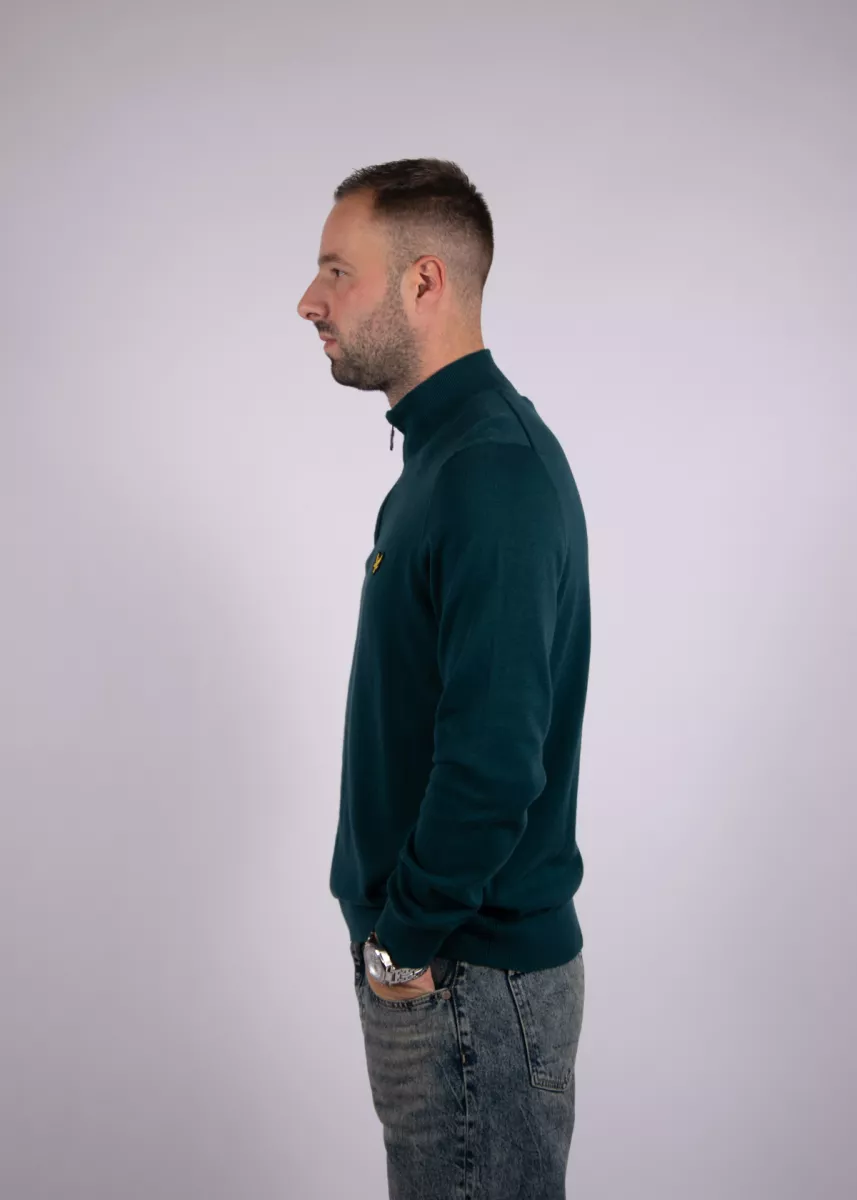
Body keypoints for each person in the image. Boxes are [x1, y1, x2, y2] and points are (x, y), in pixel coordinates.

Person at [297, 157, 590, 1199]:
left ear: (425, 281)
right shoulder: (440, 459)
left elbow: (493, 765)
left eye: (337, 271)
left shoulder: (486, 472)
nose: (309, 301)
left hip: (463, 978)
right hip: (446, 973)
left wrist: (401, 946)